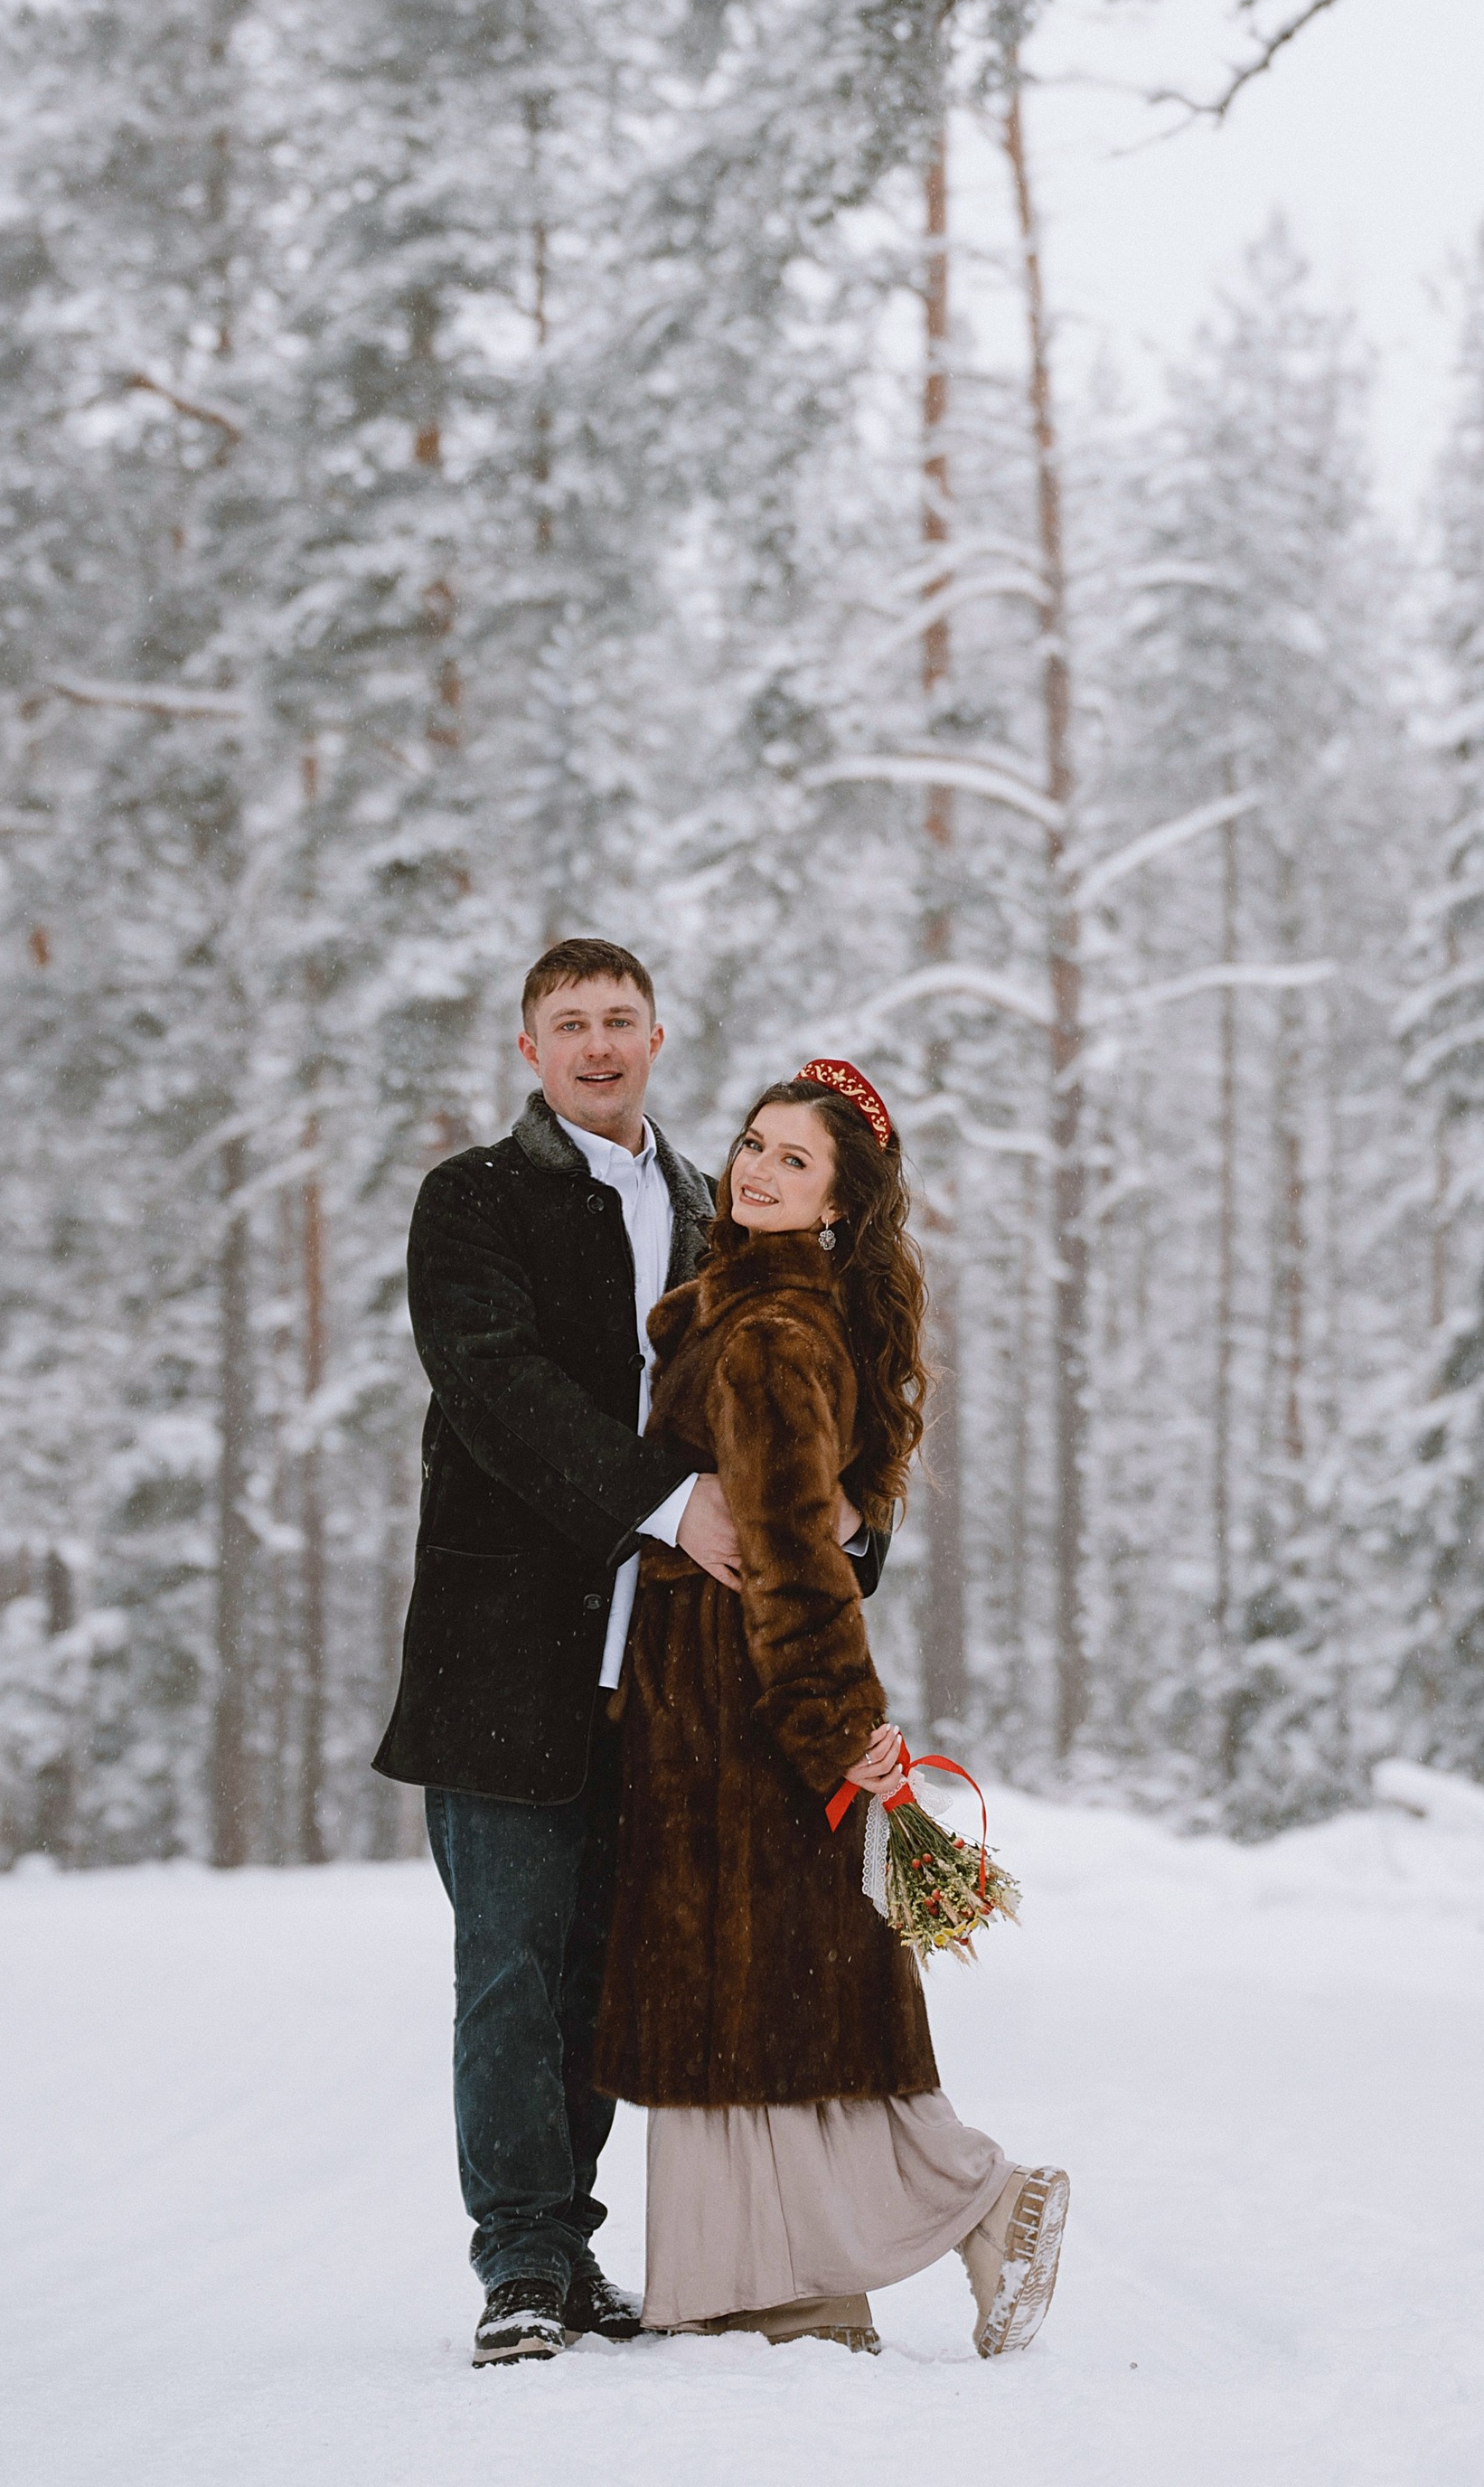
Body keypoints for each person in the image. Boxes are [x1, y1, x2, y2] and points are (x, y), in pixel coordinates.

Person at [372, 943, 890, 2367]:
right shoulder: (473, 1203)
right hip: (502, 1668)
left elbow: (800, 1396)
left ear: (658, 1037)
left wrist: (848, 1518)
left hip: (668, 1686)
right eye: (568, 1025)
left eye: (619, 1021)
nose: (597, 1045)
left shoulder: (715, 1211)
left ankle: (577, 2244)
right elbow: (497, 1390)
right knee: (510, 1971)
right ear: (527, 1049)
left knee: (604, 1975)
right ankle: (524, 2262)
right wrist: (673, 1503)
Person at [593, 1060, 1069, 2360]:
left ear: (836, 1210)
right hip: (704, 1705)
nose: (754, 1167)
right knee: (760, 2010)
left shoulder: (769, 1337)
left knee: (781, 1996)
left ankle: (980, 2199)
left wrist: (831, 1734)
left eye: (793, 1162)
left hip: (747, 1710)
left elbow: (800, 1552)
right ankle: (792, 2284)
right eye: (753, 1144)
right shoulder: (747, 1316)